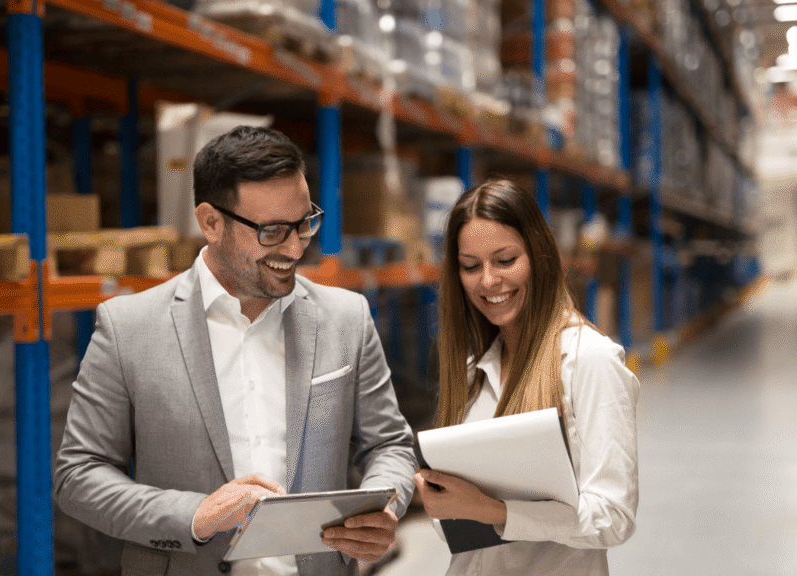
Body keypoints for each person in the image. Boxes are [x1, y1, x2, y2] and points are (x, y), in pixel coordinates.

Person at [55, 126, 417, 576]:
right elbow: (79, 475)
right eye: (271, 231)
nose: (294, 247)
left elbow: (389, 444)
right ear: (211, 223)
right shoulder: (129, 327)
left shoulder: (346, 317)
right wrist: (195, 515)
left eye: (304, 223)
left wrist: (385, 506)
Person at [413, 179, 639, 575]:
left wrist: (494, 512)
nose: (487, 280)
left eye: (505, 260)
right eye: (470, 266)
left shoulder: (590, 361)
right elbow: (455, 522)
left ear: (538, 255)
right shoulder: (474, 371)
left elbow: (612, 516)